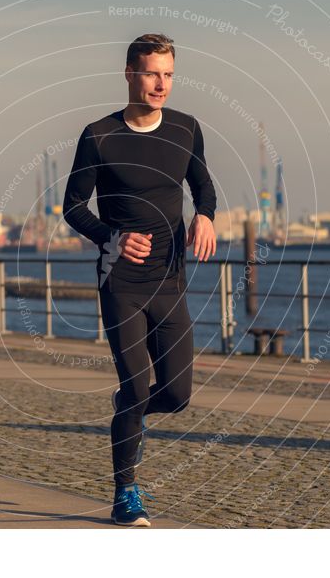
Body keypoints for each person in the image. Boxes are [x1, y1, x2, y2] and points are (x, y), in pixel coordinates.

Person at [63, 34, 217, 526]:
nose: (161, 84)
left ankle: (128, 407)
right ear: (130, 73)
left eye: (169, 75)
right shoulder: (100, 134)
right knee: (135, 386)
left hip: (170, 283)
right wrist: (112, 236)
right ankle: (125, 494)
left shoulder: (186, 129)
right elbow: (71, 206)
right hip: (121, 285)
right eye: (152, 73)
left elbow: (203, 185)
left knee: (176, 395)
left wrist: (206, 215)